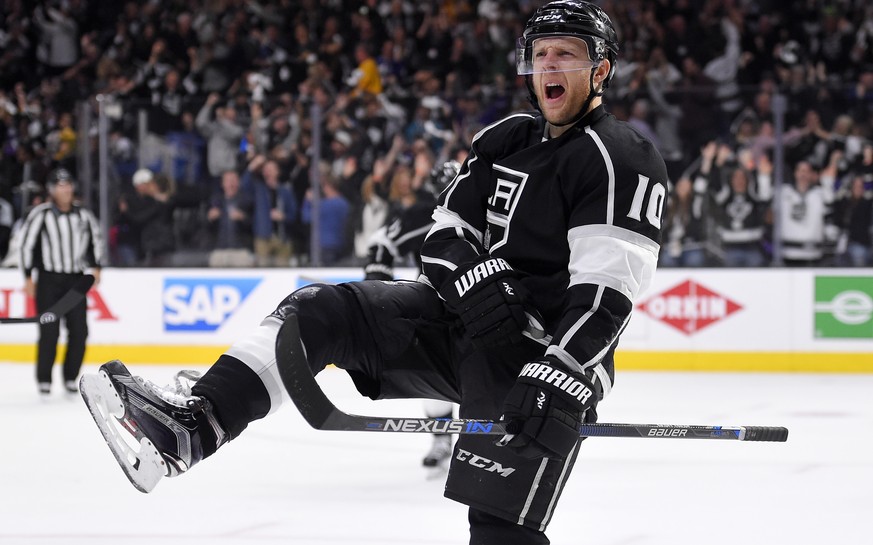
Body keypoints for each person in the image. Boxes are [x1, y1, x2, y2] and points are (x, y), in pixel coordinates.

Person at [80, 3, 667, 544]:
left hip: (541, 359)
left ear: (601, 68)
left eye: (565, 53)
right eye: (540, 54)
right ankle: (191, 428)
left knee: (496, 527)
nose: (549, 65)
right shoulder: (505, 139)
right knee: (317, 312)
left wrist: (558, 370)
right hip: (459, 324)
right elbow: (441, 237)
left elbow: (607, 293)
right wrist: (477, 280)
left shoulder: (620, 157)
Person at [363, 160, 461, 471]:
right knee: (436, 375)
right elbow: (381, 242)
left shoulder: (496, 214)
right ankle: (442, 436)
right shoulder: (428, 215)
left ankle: (483, 440)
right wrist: (376, 286)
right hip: (438, 307)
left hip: (484, 305)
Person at [20, 168, 103, 396]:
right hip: (48, 279)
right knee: (49, 330)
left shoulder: (83, 214)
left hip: (75, 280)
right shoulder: (42, 214)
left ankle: (70, 376)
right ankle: (44, 379)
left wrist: (96, 267)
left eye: (68, 185)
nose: (65, 190)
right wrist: (27, 275)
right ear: (51, 190)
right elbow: (26, 244)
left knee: (79, 330)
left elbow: (95, 240)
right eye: (60, 185)